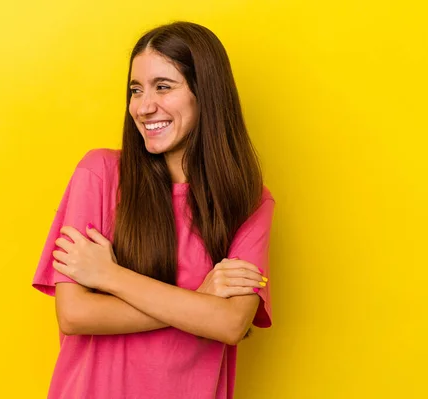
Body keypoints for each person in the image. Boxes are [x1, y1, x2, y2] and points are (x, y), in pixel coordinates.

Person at [32, 21, 275, 399]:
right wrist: (200, 301)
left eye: (163, 86)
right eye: (135, 90)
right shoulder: (100, 174)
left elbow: (229, 324)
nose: (144, 107)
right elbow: (75, 314)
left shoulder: (248, 200)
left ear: (205, 93)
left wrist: (109, 276)